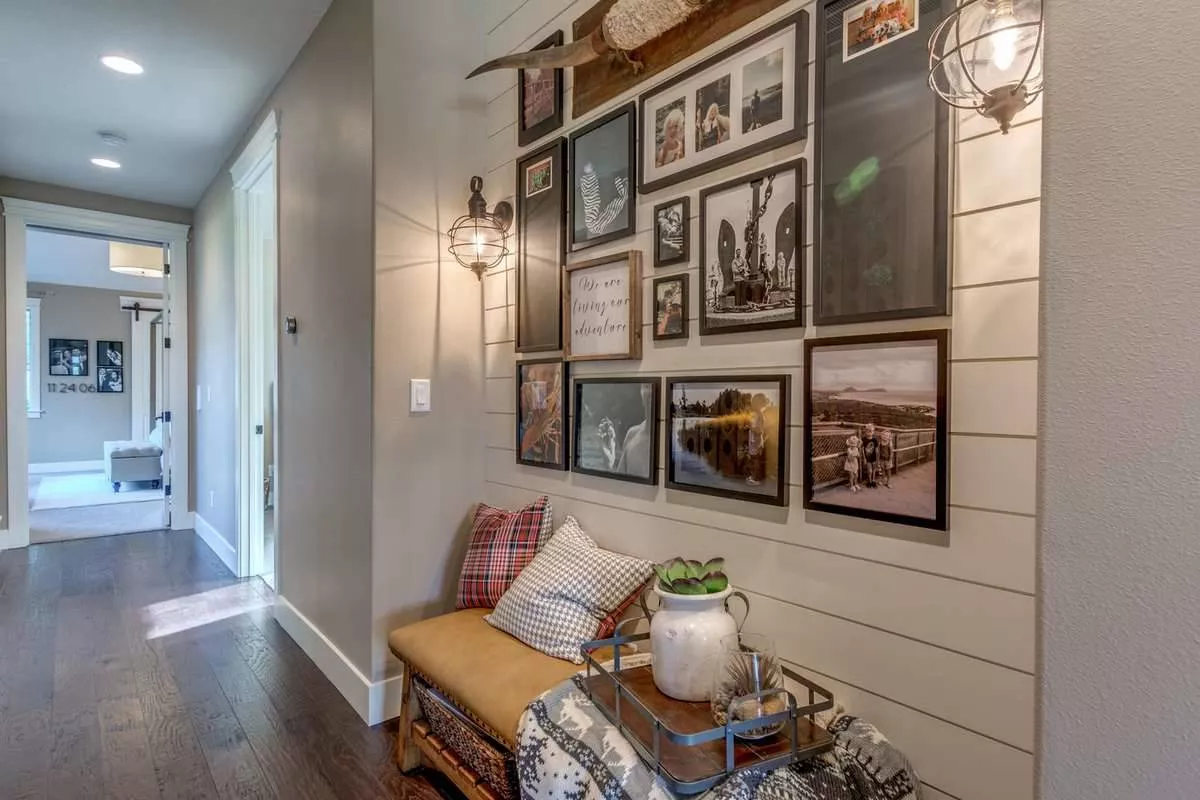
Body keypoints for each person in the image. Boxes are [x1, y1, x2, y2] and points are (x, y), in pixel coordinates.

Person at [616, 383, 655, 479]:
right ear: (641, 392)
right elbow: (620, 482)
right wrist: (609, 462)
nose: (650, 392)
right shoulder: (632, 434)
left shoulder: (673, 441)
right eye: (646, 386)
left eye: (652, 387)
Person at [861, 423, 880, 488]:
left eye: (871, 431)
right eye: (868, 431)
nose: (869, 433)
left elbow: (877, 450)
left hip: (874, 457)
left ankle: (873, 480)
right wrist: (864, 458)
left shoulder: (875, 440)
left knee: (874, 469)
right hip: (867, 458)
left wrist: (877, 458)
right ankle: (869, 481)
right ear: (866, 431)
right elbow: (862, 449)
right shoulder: (864, 439)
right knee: (870, 470)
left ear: (873, 432)